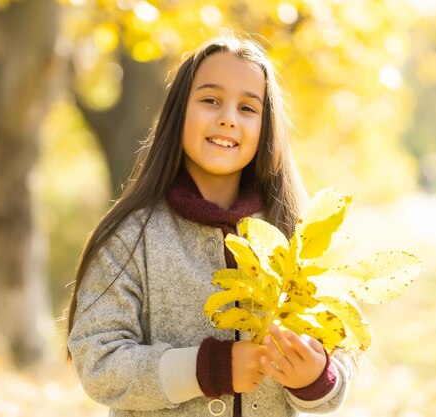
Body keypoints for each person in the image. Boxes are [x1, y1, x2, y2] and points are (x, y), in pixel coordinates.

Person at [66, 35, 353, 417]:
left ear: (266, 126)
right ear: (178, 113)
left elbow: (340, 358)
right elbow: (98, 362)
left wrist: (315, 376)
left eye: (248, 108)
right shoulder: (131, 238)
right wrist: (209, 369)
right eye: (210, 100)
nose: (228, 118)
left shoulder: (295, 235)